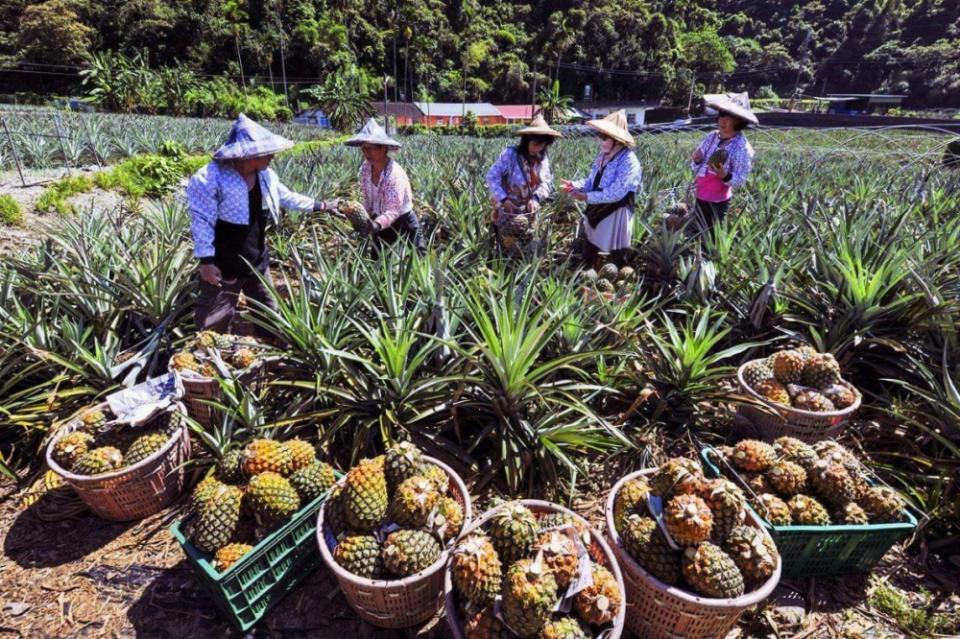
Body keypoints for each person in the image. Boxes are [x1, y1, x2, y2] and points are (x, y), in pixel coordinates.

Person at [187, 113, 337, 335]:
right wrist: (206, 262)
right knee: (213, 323)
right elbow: (201, 220)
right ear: (250, 154)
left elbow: (287, 197)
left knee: (269, 316)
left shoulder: (266, 176)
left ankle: (270, 356)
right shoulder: (211, 178)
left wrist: (321, 205)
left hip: (256, 259)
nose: (273, 156)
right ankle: (209, 361)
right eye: (267, 152)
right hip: (223, 262)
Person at [561, 110, 642, 268]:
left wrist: (586, 197)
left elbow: (616, 192)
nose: (600, 140)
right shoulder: (603, 156)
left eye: (604, 137)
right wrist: (575, 184)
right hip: (598, 207)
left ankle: (623, 281)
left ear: (617, 140)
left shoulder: (629, 161)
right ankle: (585, 272)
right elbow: (592, 181)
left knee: (617, 250)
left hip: (617, 210)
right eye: (599, 135)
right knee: (591, 243)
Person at [346, 118, 425, 256]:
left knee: (418, 260)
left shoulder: (394, 175)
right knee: (378, 261)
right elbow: (367, 199)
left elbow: (393, 210)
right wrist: (361, 216)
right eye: (363, 149)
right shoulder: (365, 169)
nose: (366, 153)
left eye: (370, 149)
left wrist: (375, 225)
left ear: (383, 148)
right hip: (378, 220)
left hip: (403, 221)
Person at [485, 114, 561, 254]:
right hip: (506, 210)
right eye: (534, 143)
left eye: (541, 145)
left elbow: (546, 183)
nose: (536, 148)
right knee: (504, 245)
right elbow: (491, 176)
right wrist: (503, 199)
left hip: (528, 212)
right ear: (526, 140)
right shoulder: (510, 155)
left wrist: (536, 198)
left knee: (525, 245)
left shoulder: (543, 159)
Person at [689, 94, 757, 229]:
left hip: (718, 201)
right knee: (697, 231)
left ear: (739, 122)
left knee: (712, 235)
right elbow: (695, 167)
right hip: (700, 195)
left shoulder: (742, 147)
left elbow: (741, 179)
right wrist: (697, 160)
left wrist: (724, 175)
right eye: (722, 116)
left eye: (730, 118)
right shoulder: (712, 137)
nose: (723, 121)